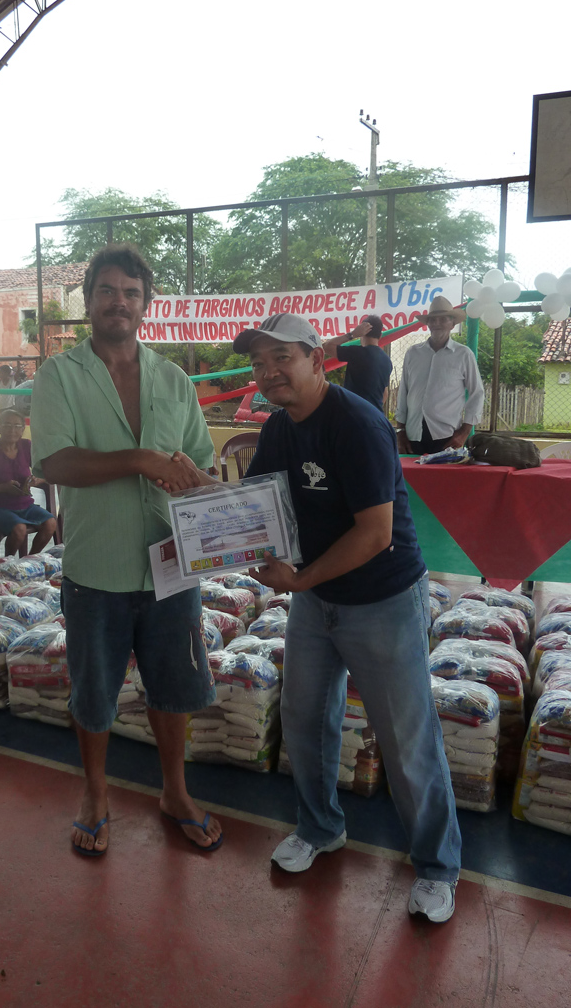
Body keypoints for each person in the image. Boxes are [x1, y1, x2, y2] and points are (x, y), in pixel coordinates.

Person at [233, 312, 461, 923]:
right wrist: (194, 503)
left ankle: (437, 866)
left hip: (383, 598)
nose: (269, 372)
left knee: (406, 738)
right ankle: (319, 827)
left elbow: (376, 534)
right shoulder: (278, 428)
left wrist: (299, 579)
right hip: (317, 600)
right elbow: (250, 506)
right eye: (259, 363)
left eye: (282, 357)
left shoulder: (358, 423)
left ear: (317, 359)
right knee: (304, 718)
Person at [31, 243, 222, 857]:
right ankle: (95, 793)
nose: (120, 301)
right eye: (108, 291)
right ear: (88, 301)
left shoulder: (173, 379)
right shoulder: (59, 375)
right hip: (97, 567)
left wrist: (228, 502)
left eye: (131, 293)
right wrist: (141, 459)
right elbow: (55, 463)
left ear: (146, 305)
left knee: (173, 686)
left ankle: (175, 791)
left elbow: (200, 464)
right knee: (94, 692)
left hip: (172, 565)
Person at [395, 295, 484, 456]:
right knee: (410, 472)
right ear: (427, 323)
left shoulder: (463, 354)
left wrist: (464, 433)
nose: (437, 324)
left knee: (443, 473)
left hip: (447, 436)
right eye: (433, 320)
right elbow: (403, 392)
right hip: (412, 434)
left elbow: (477, 393)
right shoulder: (413, 353)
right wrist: (400, 431)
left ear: (452, 324)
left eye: (443, 319)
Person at [0, 410, 57, 557]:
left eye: (17, 426)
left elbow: (49, 471)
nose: (12, 430)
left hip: (25, 505)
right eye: (7, 425)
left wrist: (37, 479)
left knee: (50, 523)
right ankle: (8, 562)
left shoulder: (26, 446)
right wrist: (2, 488)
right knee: (19, 529)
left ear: (23, 429)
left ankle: (29, 560)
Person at [322, 314, 392, 411]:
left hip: (355, 412)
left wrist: (352, 334)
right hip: (375, 414)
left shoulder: (356, 353)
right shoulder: (387, 361)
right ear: (380, 335)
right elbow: (385, 393)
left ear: (362, 333)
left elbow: (326, 346)